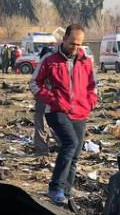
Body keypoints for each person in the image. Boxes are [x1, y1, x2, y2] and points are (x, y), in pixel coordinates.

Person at [30, 24, 98, 204]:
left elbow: (93, 86)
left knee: (74, 154)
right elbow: (35, 84)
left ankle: (66, 193)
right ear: (64, 39)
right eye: (72, 43)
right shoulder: (50, 59)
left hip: (80, 111)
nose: (75, 48)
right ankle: (55, 188)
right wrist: (52, 99)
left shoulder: (86, 61)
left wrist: (90, 102)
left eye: (79, 44)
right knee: (70, 143)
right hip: (56, 111)